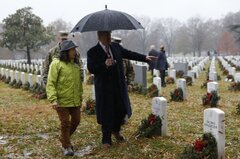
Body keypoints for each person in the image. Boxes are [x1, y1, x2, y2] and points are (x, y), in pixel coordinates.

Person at [87, 31, 156, 148]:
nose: (109, 37)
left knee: (121, 109)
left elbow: (129, 54)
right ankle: (106, 139)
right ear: (100, 36)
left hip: (118, 85)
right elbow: (91, 68)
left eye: (109, 34)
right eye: (106, 35)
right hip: (104, 88)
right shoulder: (93, 51)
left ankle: (116, 129)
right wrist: (104, 65)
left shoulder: (115, 47)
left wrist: (144, 57)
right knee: (107, 112)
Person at [46, 40, 83, 156]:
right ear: (66, 52)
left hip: (75, 100)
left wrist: (80, 98)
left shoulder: (75, 65)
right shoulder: (56, 64)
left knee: (76, 121)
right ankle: (66, 146)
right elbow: (50, 82)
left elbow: (78, 84)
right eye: (73, 50)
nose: (75, 52)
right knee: (65, 123)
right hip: (61, 101)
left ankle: (63, 138)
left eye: (75, 49)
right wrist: (53, 99)